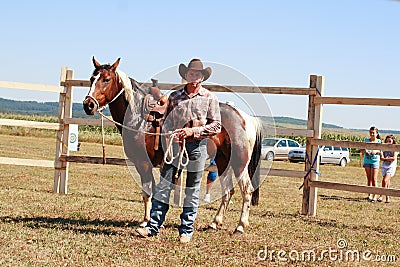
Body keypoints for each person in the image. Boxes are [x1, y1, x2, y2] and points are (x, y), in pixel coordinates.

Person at [136, 59, 221, 243]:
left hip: (197, 146)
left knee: (192, 188)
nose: (194, 78)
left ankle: (186, 230)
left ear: (202, 77)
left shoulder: (210, 98)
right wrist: (172, 134)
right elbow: (166, 122)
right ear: (185, 75)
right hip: (175, 146)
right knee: (164, 185)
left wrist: (194, 131)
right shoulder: (174, 97)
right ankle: (153, 226)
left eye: (197, 75)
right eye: (191, 74)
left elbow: (216, 126)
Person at [362, 126, 381, 202]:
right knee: (369, 178)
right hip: (367, 160)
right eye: (370, 132)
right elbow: (362, 150)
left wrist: (375, 152)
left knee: (374, 178)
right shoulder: (366, 140)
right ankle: (369, 194)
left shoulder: (379, 141)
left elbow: (381, 151)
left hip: (375, 161)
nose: (372, 134)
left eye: (373, 132)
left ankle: (375, 195)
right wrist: (365, 152)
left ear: (377, 133)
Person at [378, 135, 398, 203]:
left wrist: (385, 159)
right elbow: (381, 157)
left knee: (385, 180)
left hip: (391, 167)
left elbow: (393, 158)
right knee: (387, 182)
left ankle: (381, 195)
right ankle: (387, 197)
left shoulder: (395, 148)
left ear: (393, 141)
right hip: (384, 166)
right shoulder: (384, 148)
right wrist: (386, 159)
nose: (388, 142)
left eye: (390, 141)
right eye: (387, 141)